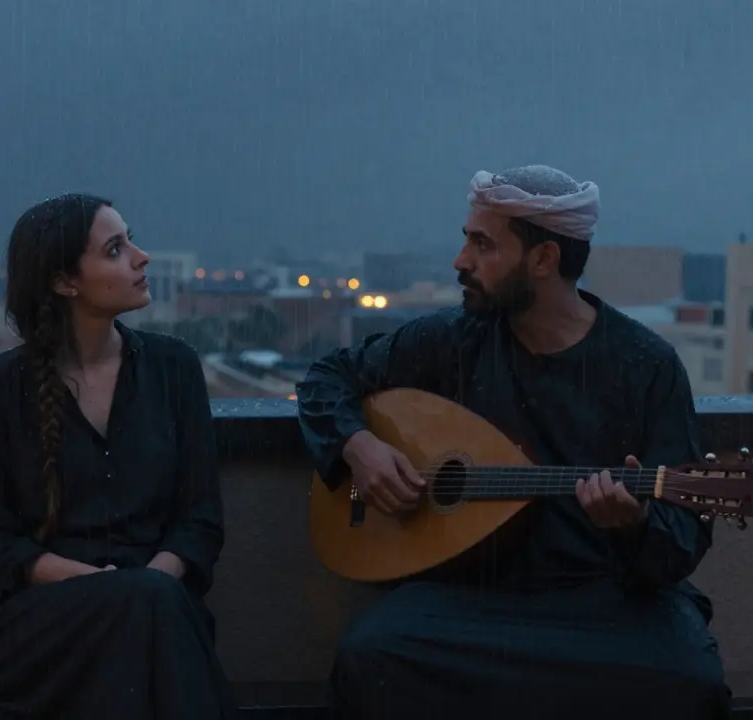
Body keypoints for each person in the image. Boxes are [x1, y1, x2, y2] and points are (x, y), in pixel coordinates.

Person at [296, 166, 729, 719]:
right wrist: (358, 447)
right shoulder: (451, 342)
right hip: (469, 596)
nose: (461, 261)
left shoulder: (645, 366)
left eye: (482, 245)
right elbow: (325, 380)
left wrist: (635, 525)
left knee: (691, 678)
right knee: (370, 655)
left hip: (600, 602)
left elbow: (682, 537)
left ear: (544, 260)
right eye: (466, 240)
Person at [0, 193, 234, 719]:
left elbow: (199, 522)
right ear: (65, 281)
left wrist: (148, 583)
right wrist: (104, 585)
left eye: (131, 240)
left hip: (161, 609)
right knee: (144, 615)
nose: (141, 257)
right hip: (42, 625)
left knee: (147, 613)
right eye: (115, 249)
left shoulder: (174, 369)